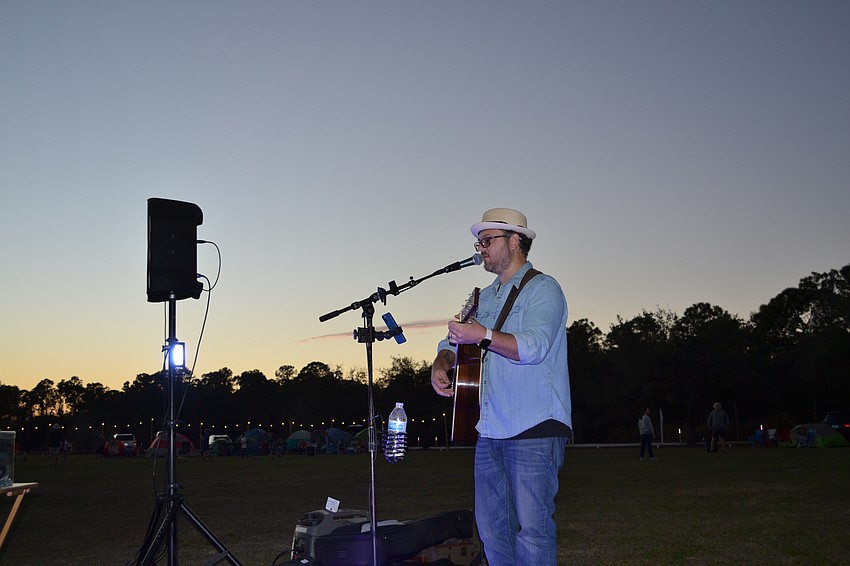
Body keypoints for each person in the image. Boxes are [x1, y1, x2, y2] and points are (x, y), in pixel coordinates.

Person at [431, 208, 571, 566]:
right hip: (490, 428)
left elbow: (535, 346)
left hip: (534, 425)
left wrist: (485, 335)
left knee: (533, 532)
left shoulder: (543, 288)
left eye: (487, 241)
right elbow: (454, 342)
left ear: (514, 241)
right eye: (479, 242)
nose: (480, 248)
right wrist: (442, 362)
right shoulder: (484, 297)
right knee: (492, 529)